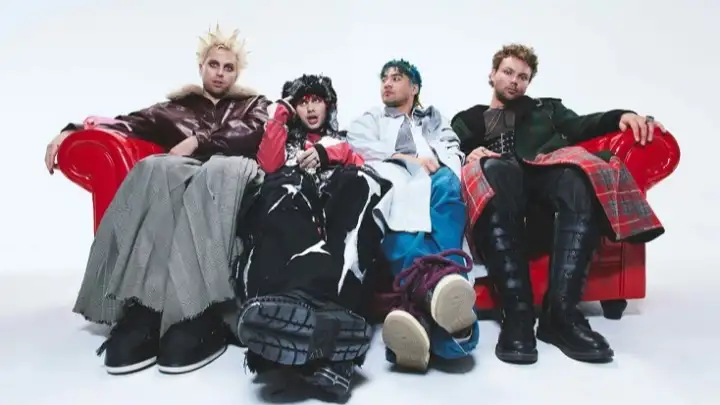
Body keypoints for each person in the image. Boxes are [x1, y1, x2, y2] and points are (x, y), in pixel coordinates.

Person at [44, 25, 270, 375]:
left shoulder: (253, 105)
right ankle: (144, 307)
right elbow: (123, 124)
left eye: (228, 68)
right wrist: (72, 130)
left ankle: (200, 311)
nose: (220, 73)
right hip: (189, 174)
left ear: (237, 74)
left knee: (215, 172)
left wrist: (197, 141)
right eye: (214, 65)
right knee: (155, 167)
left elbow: (254, 132)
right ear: (201, 66)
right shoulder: (173, 109)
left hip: (234, 173)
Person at [451, 44, 666, 365]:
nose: (514, 81)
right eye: (508, 72)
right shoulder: (468, 119)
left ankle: (561, 315)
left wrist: (623, 116)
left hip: (541, 174)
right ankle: (518, 316)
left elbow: (584, 125)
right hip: (500, 182)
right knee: (493, 168)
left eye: (523, 76)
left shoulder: (545, 109)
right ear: (492, 75)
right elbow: (445, 149)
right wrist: (470, 155)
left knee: (577, 174)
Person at [237, 74, 388, 399]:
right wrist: (279, 116)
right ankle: (329, 349)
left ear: (328, 105)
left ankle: (314, 343)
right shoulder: (285, 142)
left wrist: (327, 154)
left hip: (333, 216)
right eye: (302, 102)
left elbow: (360, 165)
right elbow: (268, 165)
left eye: (316, 100)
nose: (310, 108)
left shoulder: (341, 141)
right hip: (293, 218)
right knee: (282, 186)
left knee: (361, 184)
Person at [345, 59, 479, 372]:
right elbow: (358, 144)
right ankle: (455, 332)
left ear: (414, 88)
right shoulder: (371, 119)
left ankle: (419, 310)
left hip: (434, 181)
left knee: (448, 185)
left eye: (396, 78)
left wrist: (438, 162)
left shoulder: (434, 119)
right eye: (384, 78)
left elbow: (451, 146)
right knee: (397, 218)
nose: (387, 83)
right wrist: (406, 159)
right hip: (396, 182)